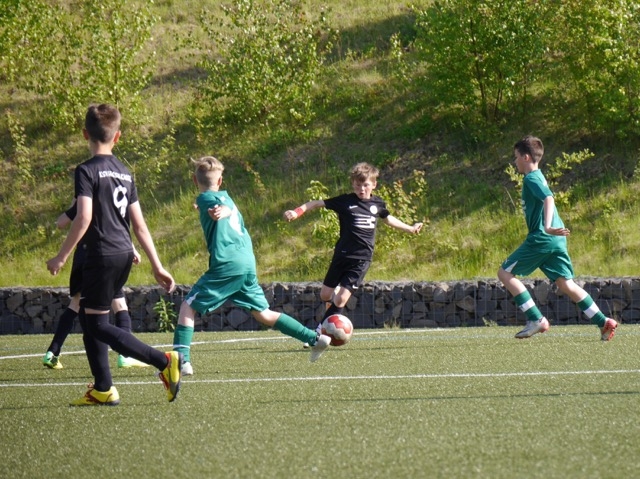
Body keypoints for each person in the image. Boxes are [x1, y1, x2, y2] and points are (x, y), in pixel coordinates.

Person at [46, 103, 182, 406]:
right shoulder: (124, 172)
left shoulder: (86, 170)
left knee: (97, 324)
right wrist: (157, 265)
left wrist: (61, 256)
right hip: (123, 252)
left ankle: (164, 361)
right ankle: (103, 388)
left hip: (101, 254)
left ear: (85, 134)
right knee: (91, 318)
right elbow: (140, 225)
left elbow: (83, 217)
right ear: (117, 136)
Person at [172, 156, 332, 375]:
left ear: (194, 180)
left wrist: (218, 211)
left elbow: (220, 209)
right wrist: (214, 209)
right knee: (263, 313)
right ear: (220, 181)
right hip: (246, 262)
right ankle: (314, 338)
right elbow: (223, 207)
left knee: (188, 306)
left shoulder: (207, 199)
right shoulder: (225, 197)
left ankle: (181, 361)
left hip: (227, 264)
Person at [283, 162, 423, 341]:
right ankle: (331, 313)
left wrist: (410, 228)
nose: (361, 189)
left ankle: (320, 333)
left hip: (362, 259)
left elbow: (388, 219)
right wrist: (297, 212)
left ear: (374, 184)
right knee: (325, 295)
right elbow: (317, 203)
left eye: (365, 185)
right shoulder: (345, 201)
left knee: (341, 299)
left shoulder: (377, 204)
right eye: (357, 185)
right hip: (341, 255)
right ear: (353, 184)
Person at [498, 135, 618, 340]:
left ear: (526, 157)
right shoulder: (539, 176)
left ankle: (536, 319)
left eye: (516, 156)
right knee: (566, 284)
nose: (514, 161)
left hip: (542, 238)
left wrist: (547, 226)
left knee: (505, 273)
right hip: (556, 240)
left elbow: (548, 198)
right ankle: (603, 322)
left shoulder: (531, 178)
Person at [42, 201, 148, 370]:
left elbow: (62, 222)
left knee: (76, 303)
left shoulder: (84, 198)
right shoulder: (104, 194)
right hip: (103, 254)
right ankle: (125, 355)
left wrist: (71, 212)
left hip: (82, 255)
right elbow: (116, 222)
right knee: (119, 305)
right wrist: (131, 247)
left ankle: (52, 352)